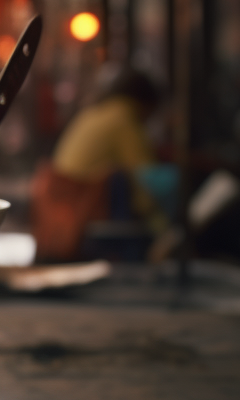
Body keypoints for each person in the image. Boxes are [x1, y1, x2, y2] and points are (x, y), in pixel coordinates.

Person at [31, 68, 171, 260]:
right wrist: (164, 232)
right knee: (120, 181)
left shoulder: (94, 113)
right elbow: (146, 181)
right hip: (85, 217)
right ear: (146, 103)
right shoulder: (123, 119)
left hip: (60, 215)